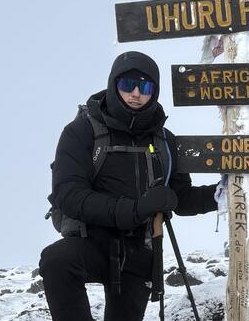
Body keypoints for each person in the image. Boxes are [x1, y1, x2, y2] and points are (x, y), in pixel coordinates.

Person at [39, 51, 221, 320]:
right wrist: (134, 210)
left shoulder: (164, 141)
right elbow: (68, 194)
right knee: (57, 260)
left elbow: (182, 199)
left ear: (154, 92)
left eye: (145, 88)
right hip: (90, 241)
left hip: (139, 252)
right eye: (128, 85)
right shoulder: (81, 131)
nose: (136, 93)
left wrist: (227, 194)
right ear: (114, 84)